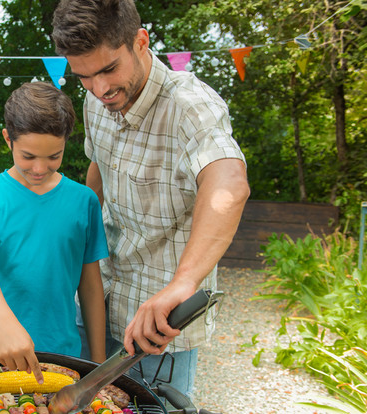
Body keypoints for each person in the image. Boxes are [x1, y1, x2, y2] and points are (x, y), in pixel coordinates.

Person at [51, 0, 250, 398]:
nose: (100, 88)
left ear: (140, 41)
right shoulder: (96, 101)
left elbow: (229, 184)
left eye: (109, 69)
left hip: (158, 324)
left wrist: (184, 283)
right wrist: (76, 243)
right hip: (99, 295)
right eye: (84, 76)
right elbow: (98, 168)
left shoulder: (191, 106)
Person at [0, 82, 109, 379]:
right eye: (28, 156)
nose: (40, 168)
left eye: (54, 156)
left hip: (60, 351)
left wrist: (99, 365)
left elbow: (90, 285)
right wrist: (3, 321)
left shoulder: (84, 201)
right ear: (7, 140)